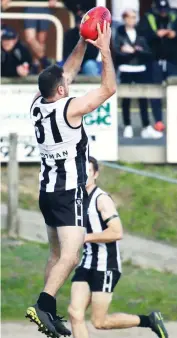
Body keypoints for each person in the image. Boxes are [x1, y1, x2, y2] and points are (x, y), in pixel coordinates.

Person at [25, 21, 116, 338]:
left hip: (46, 192)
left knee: (55, 255)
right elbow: (108, 89)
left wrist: (81, 40)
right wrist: (103, 49)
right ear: (61, 91)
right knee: (72, 255)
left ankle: (47, 312)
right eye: (66, 83)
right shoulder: (70, 110)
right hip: (68, 192)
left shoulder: (39, 104)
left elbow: (66, 71)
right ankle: (42, 304)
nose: (69, 82)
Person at [69, 156, 168, 338]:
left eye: (87, 171)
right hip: (86, 263)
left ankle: (149, 320)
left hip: (106, 266)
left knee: (100, 322)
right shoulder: (76, 199)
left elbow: (116, 232)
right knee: (75, 313)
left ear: (95, 174)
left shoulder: (101, 199)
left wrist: (85, 237)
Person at [114, 9, 163, 139]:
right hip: (126, 69)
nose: (133, 20)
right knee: (126, 99)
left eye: (134, 17)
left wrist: (137, 51)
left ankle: (146, 126)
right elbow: (117, 50)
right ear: (125, 18)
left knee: (143, 98)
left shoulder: (140, 33)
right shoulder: (119, 32)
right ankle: (127, 125)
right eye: (130, 17)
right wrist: (125, 51)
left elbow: (147, 52)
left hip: (139, 68)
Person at [138, 0, 177, 132]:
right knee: (155, 91)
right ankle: (159, 121)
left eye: (165, 10)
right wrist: (155, 34)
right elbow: (141, 35)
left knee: (174, 91)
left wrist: (174, 34)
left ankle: (174, 121)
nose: (163, 13)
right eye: (160, 10)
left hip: (173, 60)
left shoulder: (174, 16)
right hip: (154, 60)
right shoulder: (148, 17)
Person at [24, 0, 57, 74]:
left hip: (45, 5)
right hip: (30, 5)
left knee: (41, 41)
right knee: (30, 38)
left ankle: (37, 66)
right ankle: (45, 61)